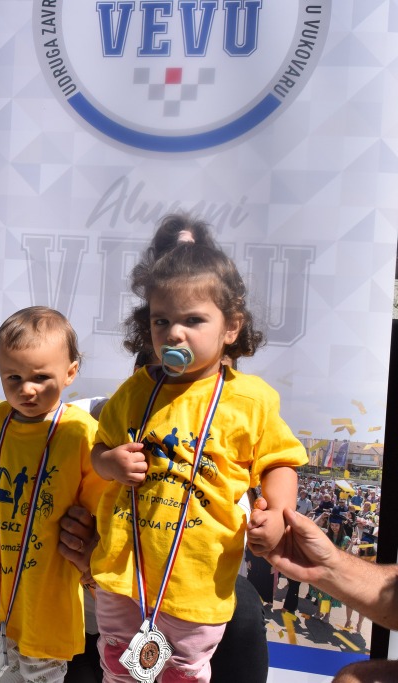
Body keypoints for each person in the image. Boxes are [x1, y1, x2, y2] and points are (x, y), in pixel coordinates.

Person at [89, 214, 306, 682]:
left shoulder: (250, 400)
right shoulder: (134, 391)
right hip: (123, 571)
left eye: (193, 320)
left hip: (196, 580)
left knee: (182, 670)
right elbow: (99, 449)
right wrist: (109, 462)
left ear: (231, 327)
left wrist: (277, 513)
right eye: (161, 320)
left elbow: (281, 462)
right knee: (118, 663)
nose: (174, 333)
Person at [0, 307, 107, 682]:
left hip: (45, 592)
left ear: (70, 373)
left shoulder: (81, 434)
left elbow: (103, 504)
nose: (26, 389)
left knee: (42, 671)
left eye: (41, 377)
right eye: (13, 377)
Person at [265, 505, 398, 682]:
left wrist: (338, 561)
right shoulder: (327, 535)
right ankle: (323, 612)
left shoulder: (347, 538)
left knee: (332, 598)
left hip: (347, 572)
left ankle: (335, 617)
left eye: (336, 525)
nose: (334, 527)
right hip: (331, 574)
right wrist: (327, 568)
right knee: (322, 596)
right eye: (333, 524)